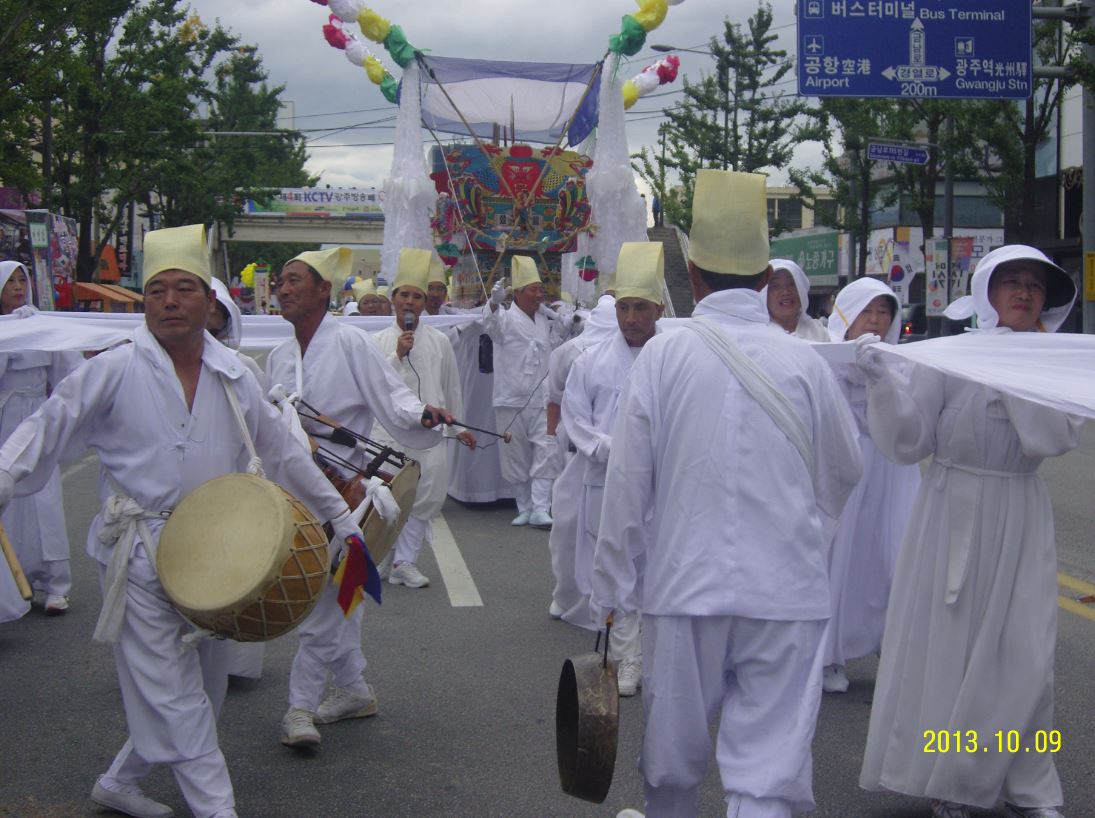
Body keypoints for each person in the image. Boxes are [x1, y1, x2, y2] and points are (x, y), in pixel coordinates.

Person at [0, 224, 363, 818]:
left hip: (220, 556)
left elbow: (285, 455)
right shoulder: (112, 369)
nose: (169, 301)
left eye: (184, 289)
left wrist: (341, 519)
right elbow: (49, 424)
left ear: (209, 301)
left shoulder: (235, 374)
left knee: (206, 690)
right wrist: (5, 475)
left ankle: (118, 783)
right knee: (176, 697)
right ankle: (218, 811)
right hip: (138, 552)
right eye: (156, 290)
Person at [590, 170, 862, 818]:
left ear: (693, 273)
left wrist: (609, 593)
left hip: (685, 588)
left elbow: (626, 486)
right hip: (788, 595)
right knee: (767, 775)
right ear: (769, 277)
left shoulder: (662, 356)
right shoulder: (805, 362)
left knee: (671, 768)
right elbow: (845, 475)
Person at [858, 245, 1081, 818]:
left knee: (1026, 655)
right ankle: (948, 781)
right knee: (947, 651)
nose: (1025, 294)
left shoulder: (1055, 360)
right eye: (1013, 283)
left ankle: (1027, 784)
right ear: (989, 291)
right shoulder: (952, 356)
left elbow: (1052, 437)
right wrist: (883, 382)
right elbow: (911, 440)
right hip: (948, 511)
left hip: (1019, 511)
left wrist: (1013, 373)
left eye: (1035, 285)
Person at [268, 246, 453, 748]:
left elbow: (391, 394)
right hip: (293, 496)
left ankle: (300, 707)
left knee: (327, 601)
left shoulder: (349, 342)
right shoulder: (280, 355)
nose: (282, 288)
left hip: (345, 497)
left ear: (323, 290)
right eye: (280, 281)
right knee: (339, 597)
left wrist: (421, 415)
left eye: (294, 280)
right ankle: (354, 690)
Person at [565, 242, 666, 697]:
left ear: (657, 309)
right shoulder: (590, 362)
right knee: (618, 565)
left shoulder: (675, 357)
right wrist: (616, 449)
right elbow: (576, 424)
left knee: (658, 566)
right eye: (623, 307)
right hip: (605, 479)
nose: (629, 317)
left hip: (661, 483)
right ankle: (628, 654)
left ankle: (656, 651)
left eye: (639, 307)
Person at [819, 277, 921, 694]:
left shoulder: (902, 362)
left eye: (884, 312)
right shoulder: (822, 359)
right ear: (847, 315)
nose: (876, 320)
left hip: (889, 471)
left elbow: (911, 414)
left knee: (891, 555)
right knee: (839, 560)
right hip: (845, 469)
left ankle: (889, 643)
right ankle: (829, 654)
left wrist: (883, 380)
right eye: (868, 311)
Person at [372, 248, 474, 589]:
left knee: (428, 496)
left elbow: (450, 387)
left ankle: (404, 561)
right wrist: (397, 354)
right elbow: (373, 388)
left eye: (418, 296)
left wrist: (458, 428)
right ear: (393, 300)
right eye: (405, 295)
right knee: (388, 497)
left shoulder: (440, 341)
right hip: (390, 434)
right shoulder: (376, 343)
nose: (412, 302)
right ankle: (386, 554)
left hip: (430, 436)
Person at [0, 260, 81, 619]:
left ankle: (55, 584)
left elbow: (71, 373)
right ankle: (15, 585)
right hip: (4, 418)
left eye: (22, 279)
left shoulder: (41, 323)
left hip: (36, 415)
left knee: (44, 499)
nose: (18, 287)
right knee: (9, 500)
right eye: (10, 281)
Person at [483, 256, 571, 528]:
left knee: (547, 449)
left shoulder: (545, 320)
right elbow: (490, 324)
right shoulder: (506, 319)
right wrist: (494, 303)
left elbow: (554, 348)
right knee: (515, 455)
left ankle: (541, 507)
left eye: (540, 289)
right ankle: (525, 506)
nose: (539, 294)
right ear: (518, 293)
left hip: (542, 399)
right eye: (533, 289)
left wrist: (564, 326)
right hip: (510, 398)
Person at [545, 293, 617, 623]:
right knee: (569, 519)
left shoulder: (651, 352)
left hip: (628, 455)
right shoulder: (570, 353)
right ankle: (568, 591)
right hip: (579, 446)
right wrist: (555, 439)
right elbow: (557, 398)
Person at [765, 258, 829, 341]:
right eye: (775, 286)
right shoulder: (757, 334)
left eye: (791, 284)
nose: (785, 292)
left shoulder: (821, 334)